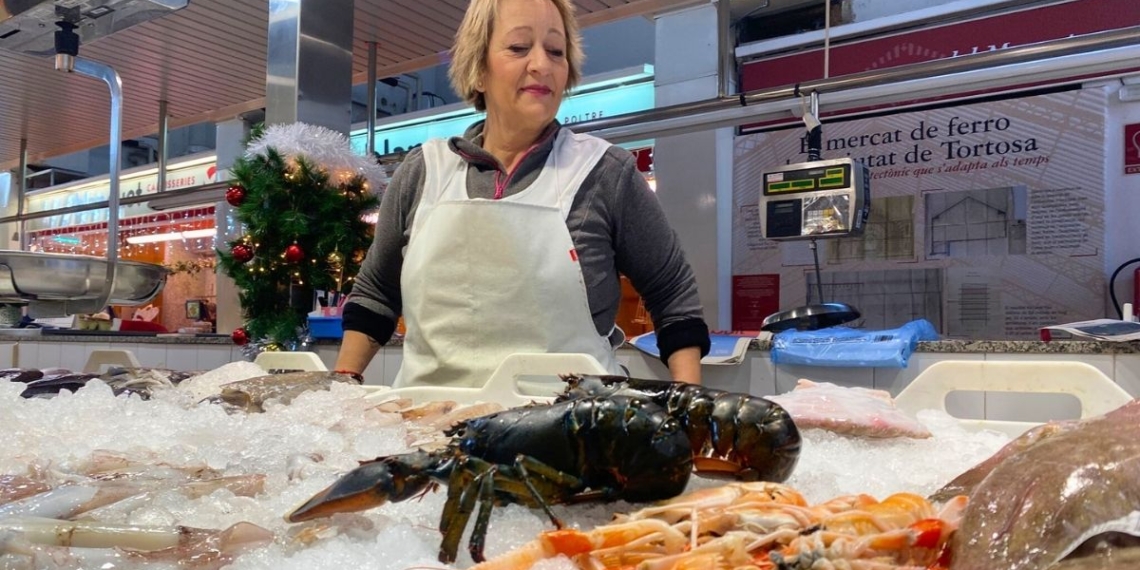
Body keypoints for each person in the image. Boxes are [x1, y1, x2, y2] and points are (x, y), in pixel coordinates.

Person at [334, 0, 710, 387]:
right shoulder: (422, 172)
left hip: (571, 433)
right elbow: (376, 294)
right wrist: (341, 387)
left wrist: (691, 408)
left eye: (555, 51)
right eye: (518, 47)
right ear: (478, 70)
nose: (541, 65)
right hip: (430, 428)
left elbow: (673, 295)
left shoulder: (605, 173)